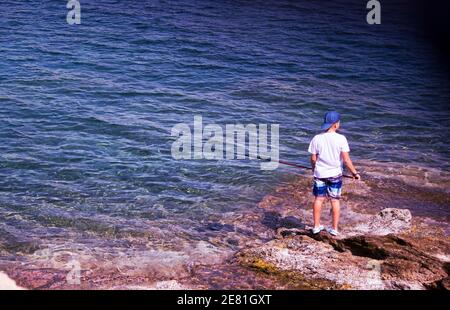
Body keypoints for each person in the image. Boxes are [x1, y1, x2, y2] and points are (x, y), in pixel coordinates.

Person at [307, 111, 360, 236]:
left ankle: (316, 226)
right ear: (336, 124)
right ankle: (334, 229)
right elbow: (346, 160)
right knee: (335, 201)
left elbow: (313, 159)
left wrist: (314, 169)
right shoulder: (341, 139)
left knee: (319, 199)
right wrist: (354, 173)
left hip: (320, 174)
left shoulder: (317, 138)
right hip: (335, 174)